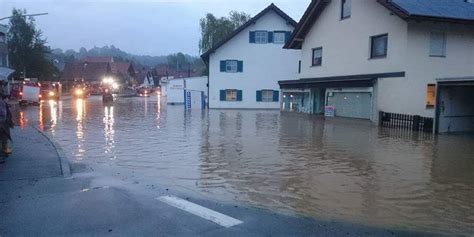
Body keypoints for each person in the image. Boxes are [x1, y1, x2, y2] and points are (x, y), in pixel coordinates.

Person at [0, 82, 13, 164]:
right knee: (3, 138)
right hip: (2, 123)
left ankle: (4, 152)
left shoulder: (2, 101)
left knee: (4, 138)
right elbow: (3, 114)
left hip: (3, 122)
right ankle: (3, 153)